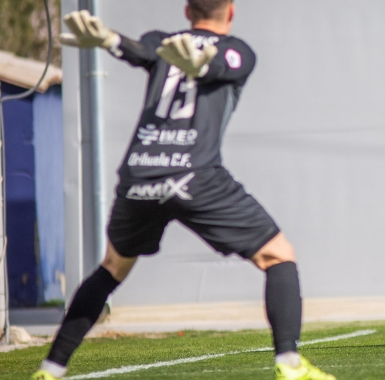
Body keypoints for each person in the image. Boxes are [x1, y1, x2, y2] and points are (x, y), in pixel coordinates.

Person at [32, 2, 334, 380]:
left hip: (139, 175)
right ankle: (290, 365)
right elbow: (223, 64)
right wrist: (201, 67)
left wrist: (110, 39)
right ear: (231, 11)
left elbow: (144, 50)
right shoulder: (238, 49)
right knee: (277, 256)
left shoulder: (163, 42)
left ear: (188, 10)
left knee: (112, 268)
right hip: (193, 175)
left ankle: (51, 368)